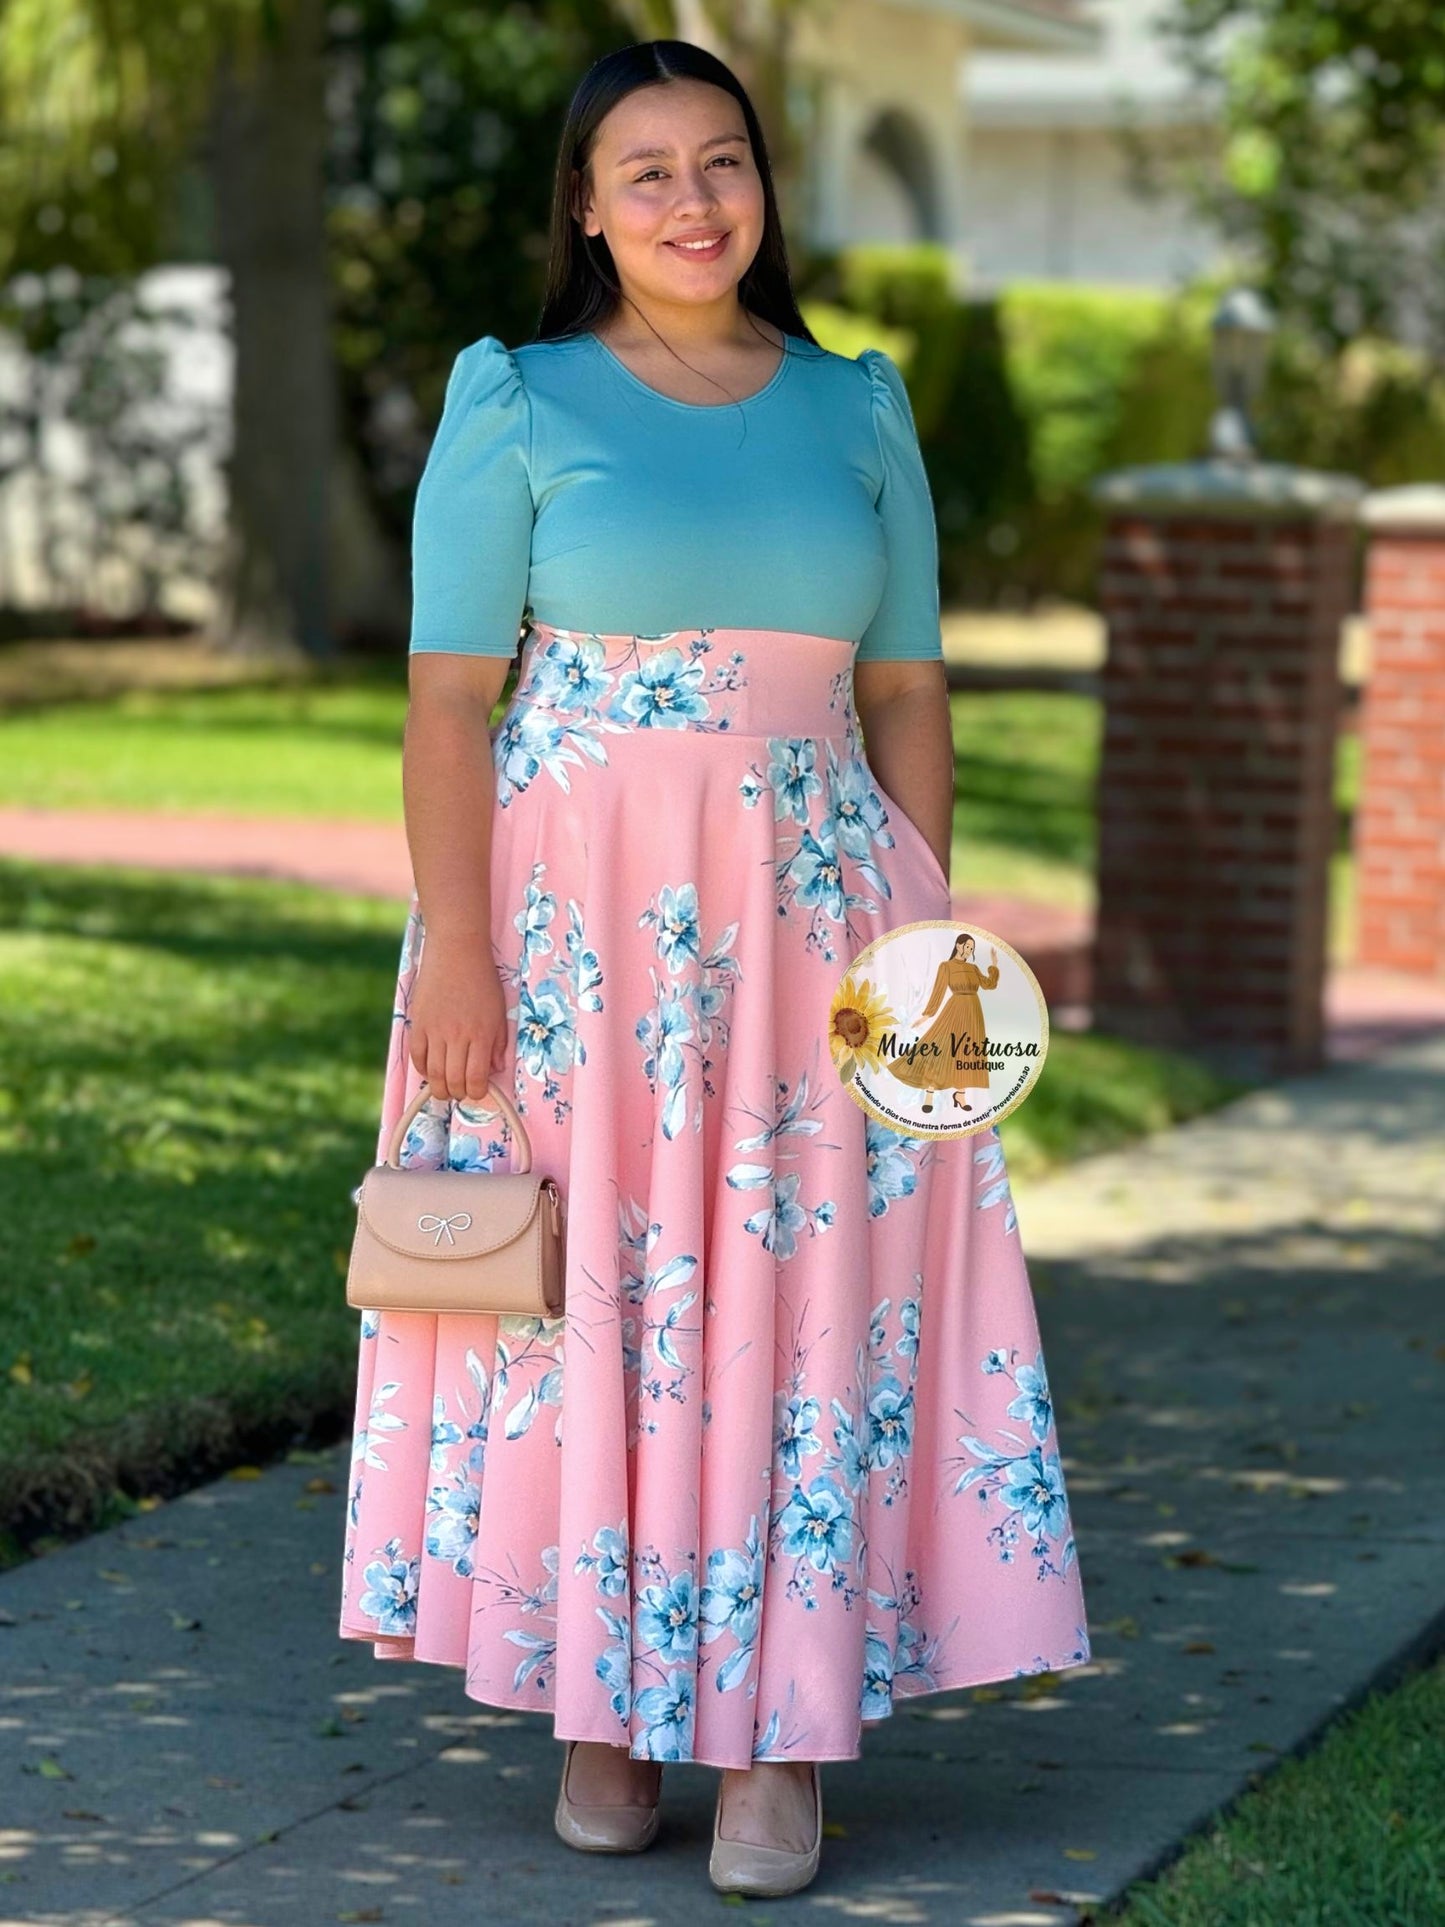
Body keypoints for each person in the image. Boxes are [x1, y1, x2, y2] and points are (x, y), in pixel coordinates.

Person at [338, 37, 1091, 1899]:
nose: (694, 200)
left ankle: (775, 1739)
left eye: (725, 162)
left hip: (822, 920)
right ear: (587, 208)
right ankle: (597, 1706)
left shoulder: (858, 404)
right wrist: (455, 955)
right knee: (587, 1294)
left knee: (801, 1311)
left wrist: (929, 941)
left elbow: (908, 689)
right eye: (648, 170)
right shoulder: (514, 399)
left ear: (766, 186)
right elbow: (449, 703)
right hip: (573, 930)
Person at [889, 932, 1000, 1114]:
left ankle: (960, 1095)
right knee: (940, 1050)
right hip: (955, 1009)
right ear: (958, 945)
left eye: (971, 949)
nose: (968, 951)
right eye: (967, 947)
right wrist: (927, 1015)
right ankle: (930, 1094)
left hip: (973, 1011)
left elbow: (989, 985)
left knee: (967, 1052)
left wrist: (994, 966)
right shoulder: (946, 967)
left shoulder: (973, 968)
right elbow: (938, 991)